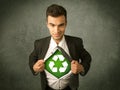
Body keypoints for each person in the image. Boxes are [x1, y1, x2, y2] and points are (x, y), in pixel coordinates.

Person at [29, 4, 91, 90]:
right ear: (47, 24)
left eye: (61, 25)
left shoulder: (76, 42)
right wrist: (34, 67)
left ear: (66, 24)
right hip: (47, 88)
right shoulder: (39, 44)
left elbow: (87, 57)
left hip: (70, 87)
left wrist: (81, 67)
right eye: (52, 25)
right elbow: (32, 58)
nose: (56, 30)